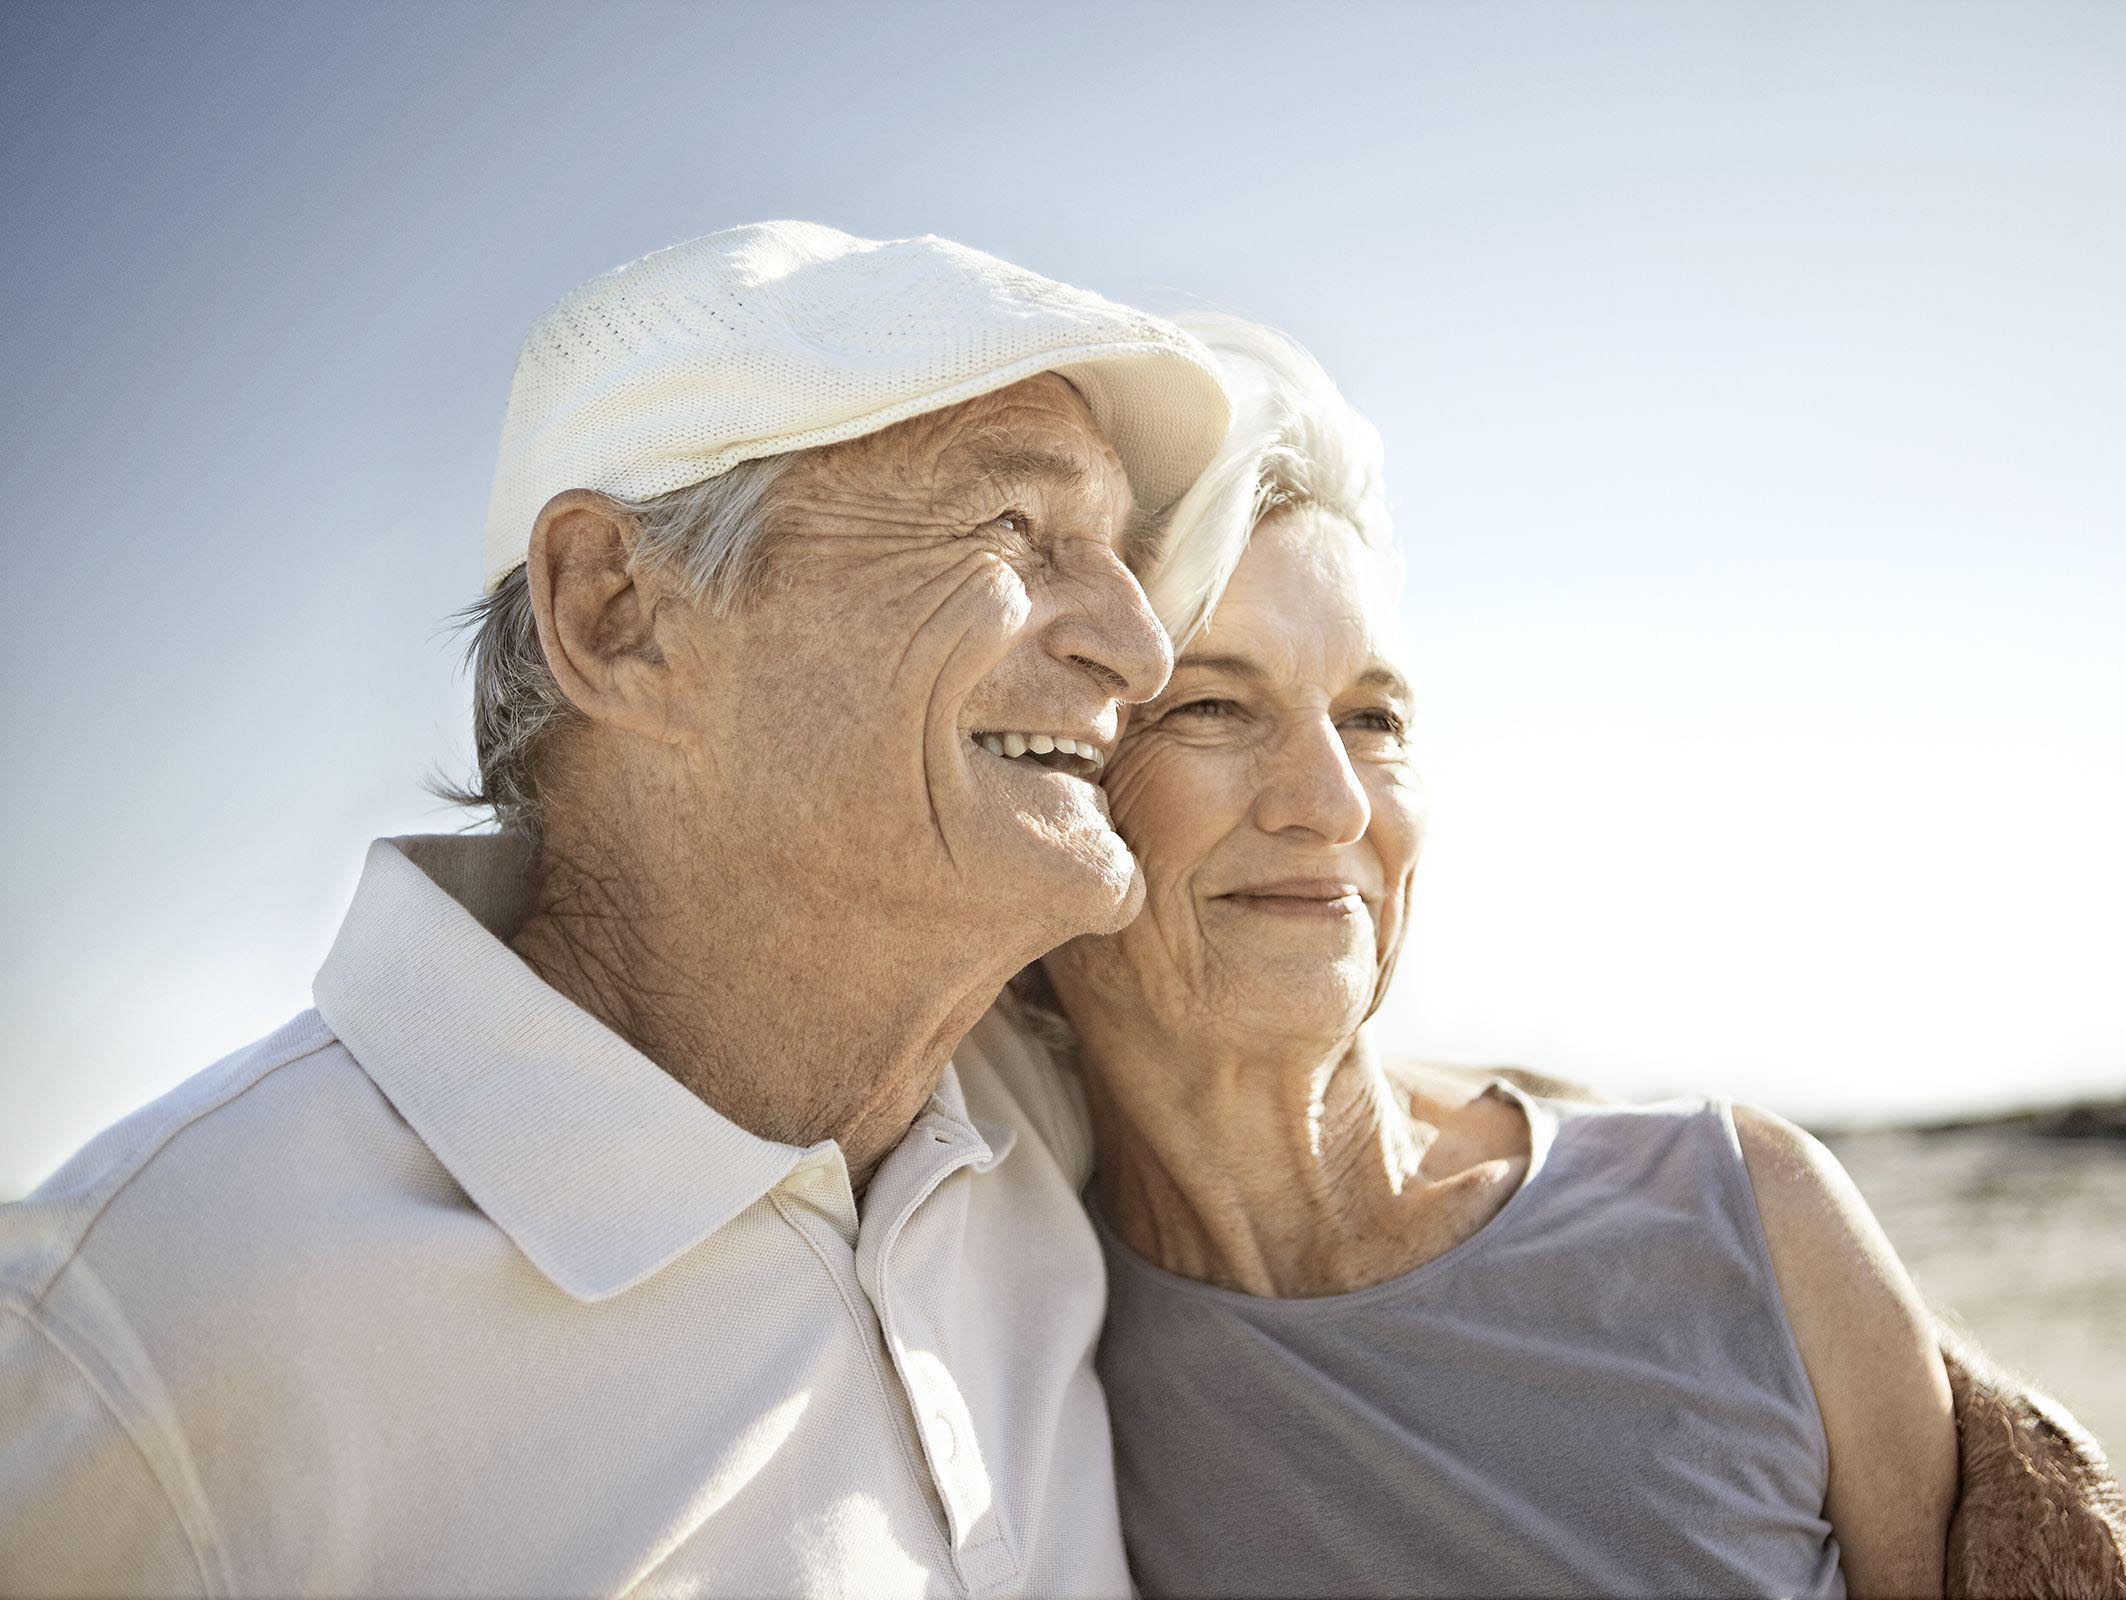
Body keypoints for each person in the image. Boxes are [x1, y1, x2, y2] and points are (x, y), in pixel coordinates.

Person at [0, 221, 1234, 1596]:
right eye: (1017, 526)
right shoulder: (149, 1335)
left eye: (1120, 553)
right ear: (618, 613)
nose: (1140, 647)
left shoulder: (1048, 1133)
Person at [1023, 315, 2126, 1598]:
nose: (1332, 801)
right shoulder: (1008, 1315)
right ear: (1057, 778)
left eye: (1373, 717)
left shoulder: (1749, 1211)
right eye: (1215, 705)